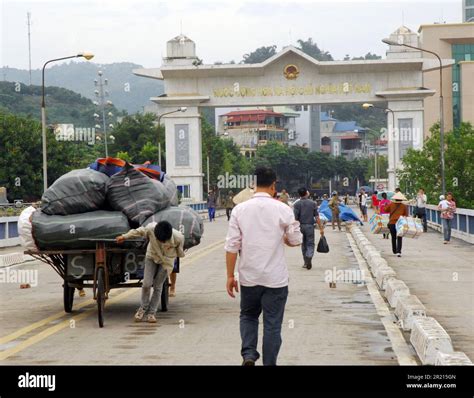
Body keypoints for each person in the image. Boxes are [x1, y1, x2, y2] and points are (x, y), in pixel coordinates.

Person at [225, 166, 302, 366]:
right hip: (276, 280)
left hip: (249, 278)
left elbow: (232, 246)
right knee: (272, 325)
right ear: (273, 185)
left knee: (248, 316)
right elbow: (295, 240)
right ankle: (269, 363)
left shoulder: (239, 210)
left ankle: (249, 354)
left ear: (253, 184)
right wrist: (285, 237)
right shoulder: (284, 209)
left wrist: (230, 276)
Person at [116, 221, 185, 323]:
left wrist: (170, 259)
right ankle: (142, 309)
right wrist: (124, 236)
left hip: (166, 262)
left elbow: (179, 252)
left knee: (158, 286)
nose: (161, 242)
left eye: (163, 241)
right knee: (146, 284)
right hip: (151, 257)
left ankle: (151, 313)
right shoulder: (150, 228)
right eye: (158, 240)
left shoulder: (178, 237)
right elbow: (139, 231)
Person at [293, 187, 324, 270]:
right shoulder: (313, 203)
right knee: (310, 243)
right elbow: (317, 217)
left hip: (300, 226)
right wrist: (321, 228)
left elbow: (295, 218)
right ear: (306, 193)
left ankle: (305, 262)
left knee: (303, 244)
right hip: (310, 226)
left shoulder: (296, 204)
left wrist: (294, 230)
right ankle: (309, 256)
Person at [383, 192, 408, 257]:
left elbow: (385, 210)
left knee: (393, 237)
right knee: (399, 237)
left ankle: (394, 250)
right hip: (400, 224)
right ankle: (398, 252)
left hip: (392, 223)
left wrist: (386, 205)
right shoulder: (404, 206)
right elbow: (406, 215)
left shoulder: (391, 204)